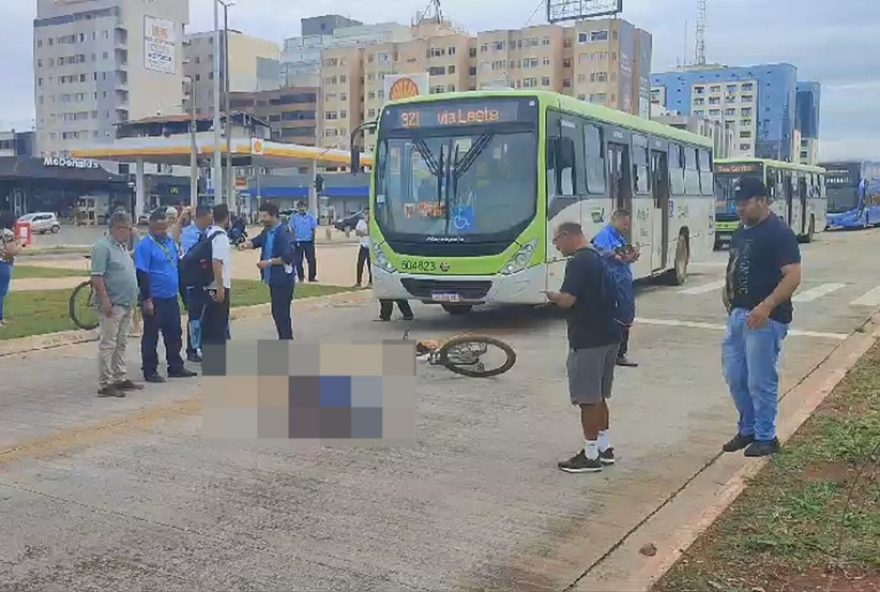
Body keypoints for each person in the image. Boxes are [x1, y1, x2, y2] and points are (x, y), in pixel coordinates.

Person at [722, 178, 802, 458]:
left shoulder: (779, 233)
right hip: (738, 314)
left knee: (760, 379)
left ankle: (766, 436)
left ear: (762, 201)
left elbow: (793, 275)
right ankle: (748, 428)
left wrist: (767, 306)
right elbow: (735, 263)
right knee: (735, 376)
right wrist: (728, 293)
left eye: (745, 202)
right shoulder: (741, 231)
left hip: (766, 318)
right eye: (738, 203)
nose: (740, 208)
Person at [544, 222, 622, 473]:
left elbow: (568, 300)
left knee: (587, 399)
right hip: (609, 335)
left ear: (567, 236)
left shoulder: (578, 261)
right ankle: (604, 446)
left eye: (556, 241)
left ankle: (590, 455)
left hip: (588, 339)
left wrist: (551, 296)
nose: (556, 247)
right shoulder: (598, 257)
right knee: (599, 396)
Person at [134, 210, 197, 383]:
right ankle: (150, 370)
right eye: (159, 228)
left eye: (165, 227)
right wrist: (146, 299)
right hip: (154, 298)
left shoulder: (169, 242)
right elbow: (142, 273)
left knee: (174, 333)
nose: (163, 231)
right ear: (151, 228)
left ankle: (175, 366)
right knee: (151, 335)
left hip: (171, 296)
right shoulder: (145, 246)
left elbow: (176, 264)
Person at [90, 212, 143, 398]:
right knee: (108, 344)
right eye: (128, 229)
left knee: (121, 343)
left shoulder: (121, 247)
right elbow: (97, 276)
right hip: (113, 303)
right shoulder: (103, 247)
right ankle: (105, 383)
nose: (130, 232)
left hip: (126, 302)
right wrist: (105, 299)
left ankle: (119, 377)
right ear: (117, 228)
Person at [239, 202, 296, 339]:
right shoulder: (267, 232)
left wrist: (268, 263)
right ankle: (284, 338)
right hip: (273, 279)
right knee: (277, 312)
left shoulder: (283, 233)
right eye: (261, 216)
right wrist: (247, 244)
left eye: (264, 216)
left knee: (281, 312)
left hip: (283, 279)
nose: (262, 219)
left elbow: (287, 257)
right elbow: (258, 241)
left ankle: (286, 340)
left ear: (274, 216)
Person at [592, 209, 640, 367]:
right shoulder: (604, 236)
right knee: (614, 318)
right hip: (613, 283)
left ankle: (619, 352)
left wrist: (630, 257)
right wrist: (615, 255)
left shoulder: (619, 237)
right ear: (615, 220)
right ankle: (614, 354)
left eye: (628, 224)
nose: (627, 227)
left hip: (624, 282)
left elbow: (622, 256)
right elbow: (599, 252)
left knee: (626, 316)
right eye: (624, 223)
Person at [180, 204, 214, 362]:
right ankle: (192, 348)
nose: (212, 218)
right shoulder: (189, 234)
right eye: (210, 215)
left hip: (206, 279)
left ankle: (203, 346)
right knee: (194, 316)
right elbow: (189, 256)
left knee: (206, 314)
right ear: (201, 217)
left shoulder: (209, 233)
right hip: (192, 279)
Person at [201, 204, 232, 345]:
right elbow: (217, 261)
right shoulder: (221, 237)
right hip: (217, 286)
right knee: (219, 326)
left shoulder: (208, 233)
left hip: (206, 284)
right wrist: (220, 287)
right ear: (227, 218)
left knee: (209, 324)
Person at [0, 211, 22, 327]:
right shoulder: (8, 233)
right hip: (3, 264)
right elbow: (11, 251)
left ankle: (1, 317)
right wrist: (20, 245)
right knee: (1, 292)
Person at [289, 200, 318, 282]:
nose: (302, 208)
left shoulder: (311, 218)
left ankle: (312, 277)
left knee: (311, 260)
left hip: (308, 242)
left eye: (303, 207)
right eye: (300, 207)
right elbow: (292, 230)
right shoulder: (294, 218)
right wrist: (293, 241)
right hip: (298, 242)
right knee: (298, 261)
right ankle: (301, 277)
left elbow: (313, 230)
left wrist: (313, 241)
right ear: (297, 208)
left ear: (306, 208)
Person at [355, 209, 372, 287]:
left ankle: (371, 282)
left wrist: (368, 224)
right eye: (365, 213)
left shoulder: (372, 222)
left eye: (367, 213)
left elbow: (370, 232)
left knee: (370, 265)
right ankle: (358, 282)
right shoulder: (360, 222)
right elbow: (357, 232)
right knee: (360, 264)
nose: (366, 215)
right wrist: (364, 233)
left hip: (371, 247)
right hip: (363, 246)